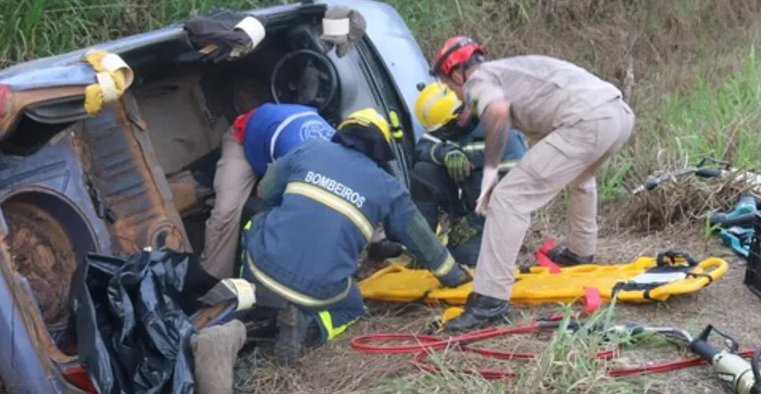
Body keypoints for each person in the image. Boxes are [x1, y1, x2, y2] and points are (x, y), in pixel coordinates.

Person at [423, 36, 634, 332]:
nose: (457, 97)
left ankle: (490, 302)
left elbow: (497, 113)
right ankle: (580, 251)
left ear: (457, 74)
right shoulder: (509, 69)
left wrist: (490, 174)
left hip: (587, 122)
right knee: (581, 176)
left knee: (507, 199)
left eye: (449, 85)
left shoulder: (477, 80)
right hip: (619, 115)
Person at [239, 108, 470, 365]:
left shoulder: (309, 149)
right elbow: (423, 241)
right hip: (318, 291)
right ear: (381, 148)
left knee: (255, 222)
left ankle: (243, 296)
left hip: (260, 269)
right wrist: (453, 276)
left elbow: (266, 191)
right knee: (352, 308)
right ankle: (311, 326)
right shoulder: (388, 187)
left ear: (343, 132)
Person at [201, 102, 335, 280]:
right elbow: (263, 191)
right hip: (243, 141)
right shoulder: (297, 160)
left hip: (275, 142)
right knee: (226, 212)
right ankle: (211, 282)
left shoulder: (338, 157)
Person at [408, 81, 529, 266]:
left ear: (460, 115)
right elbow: (422, 148)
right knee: (424, 170)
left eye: (445, 128)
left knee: (463, 258)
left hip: (496, 215)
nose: (443, 134)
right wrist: (444, 152)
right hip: (467, 203)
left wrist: (475, 221)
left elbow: (516, 193)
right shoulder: (450, 127)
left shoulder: (504, 133)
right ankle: (422, 246)